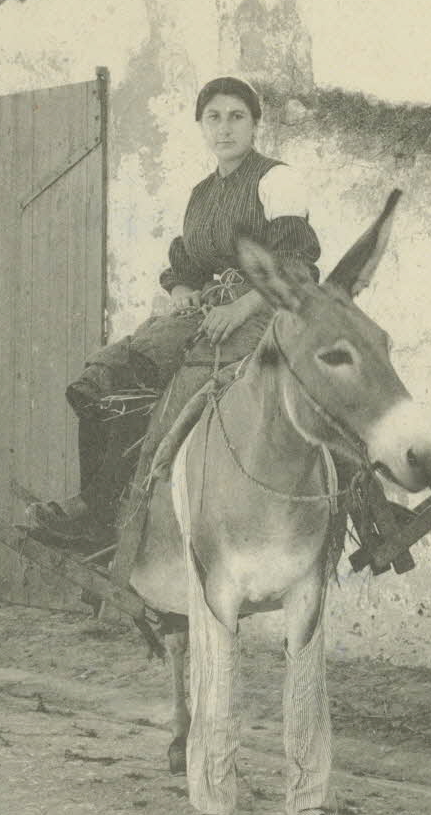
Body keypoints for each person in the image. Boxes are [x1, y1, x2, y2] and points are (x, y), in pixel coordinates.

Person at [27, 76, 321, 548]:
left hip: (264, 317)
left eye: (236, 117)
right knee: (101, 379)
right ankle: (97, 507)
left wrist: (241, 307)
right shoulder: (202, 193)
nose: (225, 129)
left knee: (173, 394)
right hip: (205, 317)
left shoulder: (277, 180)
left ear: (255, 123)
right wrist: (184, 289)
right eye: (214, 118)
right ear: (201, 126)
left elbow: (295, 267)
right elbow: (185, 266)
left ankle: (135, 516)